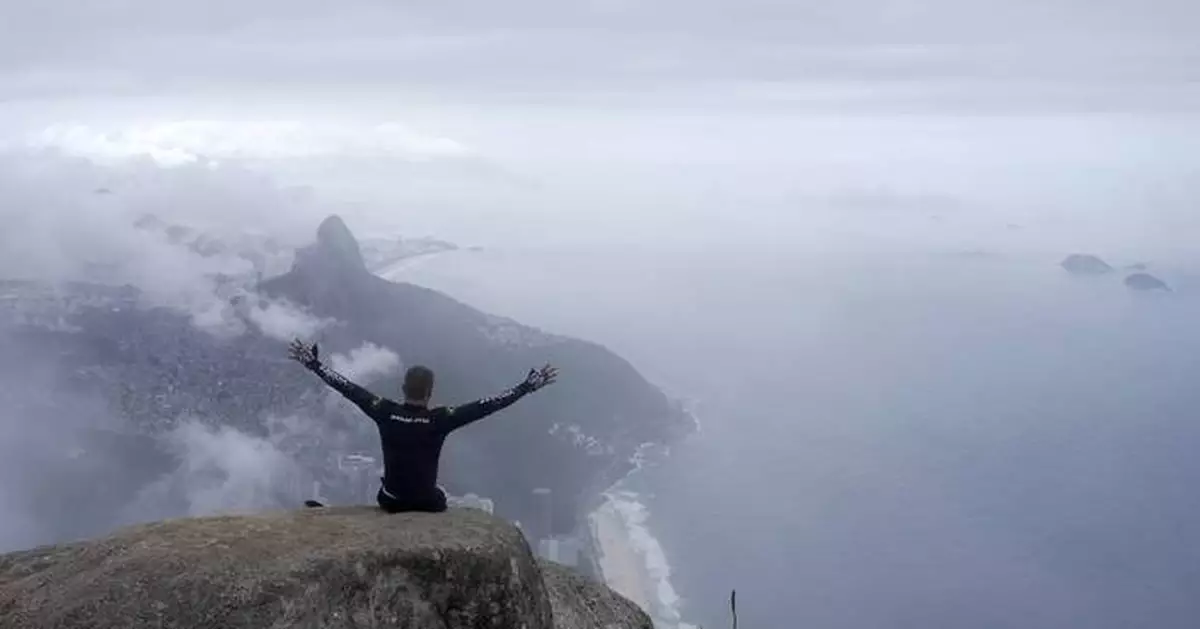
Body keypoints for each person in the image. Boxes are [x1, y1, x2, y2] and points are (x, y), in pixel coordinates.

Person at [288, 338, 558, 513]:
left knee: (387, 490)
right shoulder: (440, 419)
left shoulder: (385, 411)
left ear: (403, 388)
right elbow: (487, 405)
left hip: (391, 501)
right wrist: (526, 387)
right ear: (430, 392)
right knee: (441, 496)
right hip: (427, 502)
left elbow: (348, 388)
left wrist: (315, 365)